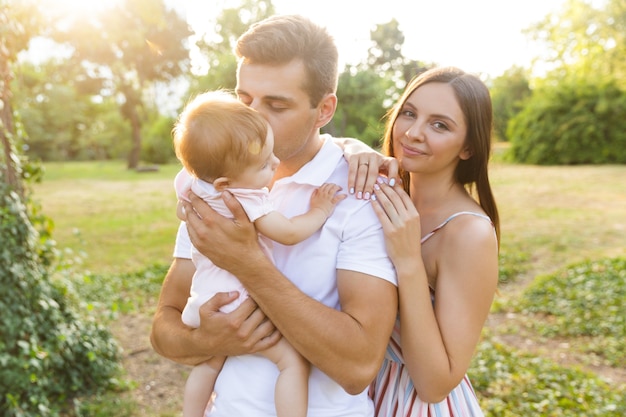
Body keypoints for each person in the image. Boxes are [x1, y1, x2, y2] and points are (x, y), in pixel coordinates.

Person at [150, 14, 399, 417]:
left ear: (324, 110)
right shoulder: (216, 182)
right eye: (243, 99)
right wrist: (207, 342)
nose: (252, 119)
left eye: (276, 105)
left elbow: (358, 367)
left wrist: (248, 264)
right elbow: (165, 327)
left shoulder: (360, 194)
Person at [172, 90, 346, 417]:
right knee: (291, 362)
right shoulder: (246, 197)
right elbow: (290, 233)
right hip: (238, 302)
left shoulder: (193, 183)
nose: (276, 164)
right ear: (225, 183)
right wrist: (320, 211)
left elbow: (183, 204)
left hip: (204, 303)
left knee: (210, 364)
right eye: (265, 164)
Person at [347, 66, 500, 416]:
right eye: (409, 114)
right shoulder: (381, 195)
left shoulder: (468, 233)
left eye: (439, 125)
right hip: (354, 394)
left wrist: (409, 261)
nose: (413, 133)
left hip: (413, 404)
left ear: (468, 148)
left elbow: (435, 383)